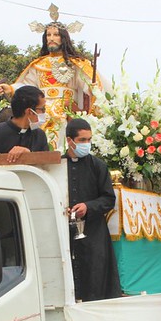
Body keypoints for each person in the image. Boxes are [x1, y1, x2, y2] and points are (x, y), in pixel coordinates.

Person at [0, 16, 103, 150]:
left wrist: (93, 88)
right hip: (41, 109)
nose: (51, 38)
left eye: (56, 35)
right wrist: (11, 88)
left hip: (65, 108)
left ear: (63, 38)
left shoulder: (75, 63)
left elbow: (89, 84)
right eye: (48, 35)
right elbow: (28, 87)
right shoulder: (38, 65)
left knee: (60, 124)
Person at [63, 118, 121, 301]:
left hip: (93, 233)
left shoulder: (98, 166)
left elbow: (108, 199)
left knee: (95, 280)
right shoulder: (57, 164)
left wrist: (88, 207)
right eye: (82, 140)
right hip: (64, 233)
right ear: (69, 140)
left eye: (89, 140)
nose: (86, 144)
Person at [0, 85, 49, 162]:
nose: (44, 112)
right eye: (42, 109)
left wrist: (29, 155)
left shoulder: (39, 135)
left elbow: (47, 165)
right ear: (29, 111)